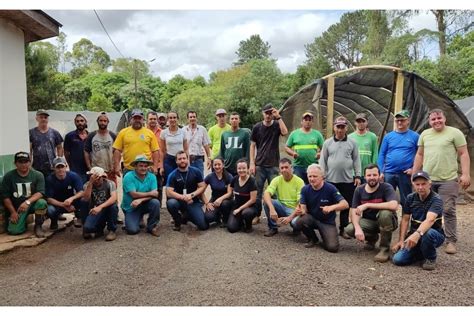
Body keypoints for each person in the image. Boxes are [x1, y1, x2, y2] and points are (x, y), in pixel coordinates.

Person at [413, 108, 471, 255]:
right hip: (428, 179)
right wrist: (415, 173)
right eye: (433, 119)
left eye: (439, 118)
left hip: (448, 179)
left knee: (448, 209)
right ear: (429, 121)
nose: (436, 121)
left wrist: (465, 174)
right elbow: (420, 154)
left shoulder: (454, 133)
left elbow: (463, 153)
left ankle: (451, 240)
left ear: (444, 119)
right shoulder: (425, 134)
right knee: (426, 209)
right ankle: (429, 235)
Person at [344, 164, 399, 263]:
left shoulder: (386, 187)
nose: (372, 177)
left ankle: (384, 249)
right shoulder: (359, 190)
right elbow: (353, 211)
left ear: (379, 176)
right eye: (369, 175)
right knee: (349, 229)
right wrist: (357, 228)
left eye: (374, 175)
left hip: (388, 221)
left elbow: (394, 205)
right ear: (365, 177)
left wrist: (368, 205)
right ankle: (372, 238)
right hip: (370, 222)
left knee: (385, 214)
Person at [392, 171, 445, 270]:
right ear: (413, 185)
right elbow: (405, 219)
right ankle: (420, 252)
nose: (420, 187)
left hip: (434, 234)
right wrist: (401, 240)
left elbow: (430, 220)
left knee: (428, 233)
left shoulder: (436, 199)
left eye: (423, 184)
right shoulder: (410, 198)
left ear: (430, 184)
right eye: (417, 184)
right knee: (398, 260)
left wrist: (417, 234)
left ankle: (430, 258)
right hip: (414, 235)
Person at [320, 116, 361, 238]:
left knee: (346, 205)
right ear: (334, 127)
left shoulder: (352, 142)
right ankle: (328, 227)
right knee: (328, 204)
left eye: (343, 127)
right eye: (338, 127)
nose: (340, 129)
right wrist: (321, 176)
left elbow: (356, 160)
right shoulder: (327, 143)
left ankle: (343, 229)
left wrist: (358, 175)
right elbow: (323, 160)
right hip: (330, 180)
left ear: (346, 128)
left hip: (347, 180)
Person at [296, 164, 349, 252]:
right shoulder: (305, 189)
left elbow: (345, 204)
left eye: (315, 176)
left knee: (332, 248)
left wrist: (331, 207)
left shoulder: (330, 188)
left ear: (322, 177)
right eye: (310, 176)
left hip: (327, 222)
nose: (312, 179)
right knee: (298, 222)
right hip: (312, 219)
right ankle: (313, 239)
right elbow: (303, 209)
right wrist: (300, 211)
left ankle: (325, 235)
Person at [250, 103, 288, 223]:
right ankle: (257, 215)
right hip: (260, 164)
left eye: (270, 113)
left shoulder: (277, 125)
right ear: (262, 113)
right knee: (258, 192)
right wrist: (252, 163)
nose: (268, 115)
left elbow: (285, 132)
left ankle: (274, 215)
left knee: (274, 193)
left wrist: (279, 117)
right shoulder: (257, 127)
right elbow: (252, 146)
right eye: (266, 113)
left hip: (273, 165)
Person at [377, 110, 419, 207]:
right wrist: (381, 171)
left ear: (408, 121)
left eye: (402, 120)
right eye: (397, 120)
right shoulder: (388, 137)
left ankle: (405, 220)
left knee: (406, 199)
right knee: (387, 198)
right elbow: (382, 154)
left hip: (405, 173)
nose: (399, 122)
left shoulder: (415, 136)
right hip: (389, 173)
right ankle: (389, 220)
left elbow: (420, 154)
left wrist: (413, 169)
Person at [1, 152, 48, 237]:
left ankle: (38, 226)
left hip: (32, 204)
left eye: (26, 161)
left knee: (42, 202)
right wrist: (13, 212)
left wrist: (27, 202)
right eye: (20, 162)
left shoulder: (38, 175)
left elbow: (40, 193)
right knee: (14, 231)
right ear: (15, 163)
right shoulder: (9, 176)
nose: (23, 164)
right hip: (18, 208)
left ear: (30, 162)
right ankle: (22, 222)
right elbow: (5, 196)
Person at [166, 151, 208, 231]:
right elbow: (169, 192)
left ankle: (186, 216)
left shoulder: (196, 171)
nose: (182, 160)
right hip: (179, 201)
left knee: (203, 226)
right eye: (180, 159)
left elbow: (202, 187)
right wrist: (183, 197)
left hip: (193, 201)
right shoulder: (172, 175)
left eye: (184, 158)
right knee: (171, 203)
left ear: (187, 159)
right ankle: (177, 220)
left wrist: (191, 195)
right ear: (176, 161)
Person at [263, 158, 305, 237]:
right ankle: (273, 228)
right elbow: (266, 193)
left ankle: (297, 229)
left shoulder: (299, 181)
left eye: (286, 167)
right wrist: (272, 209)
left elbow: (301, 203)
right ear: (279, 170)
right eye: (282, 168)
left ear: (291, 167)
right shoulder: (277, 179)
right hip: (281, 206)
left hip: (294, 210)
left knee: (295, 223)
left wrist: (290, 217)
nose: (284, 170)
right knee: (267, 202)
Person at [121, 155, 161, 236]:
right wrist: (150, 193)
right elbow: (133, 194)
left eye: (146, 166)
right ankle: (135, 218)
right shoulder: (128, 176)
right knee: (132, 230)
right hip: (131, 206)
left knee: (155, 203)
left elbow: (155, 194)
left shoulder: (152, 176)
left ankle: (152, 227)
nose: (143, 168)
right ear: (135, 166)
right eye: (141, 166)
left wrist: (141, 200)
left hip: (143, 203)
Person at [113, 109, 160, 176]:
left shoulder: (149, 133)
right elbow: (117, 150)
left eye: (139, 118)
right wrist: (117, 166)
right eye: (135, 118)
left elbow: (155, 151)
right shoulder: (123, 132)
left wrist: (155, 167)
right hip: (129, 169)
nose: (137, 120)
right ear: (131, 119)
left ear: (143, 120)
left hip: (145, 169)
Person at [285, 111, 324, 184]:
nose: (308, 122)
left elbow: (324, 148)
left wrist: (320, 154)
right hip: (298, 166)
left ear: (312, 122)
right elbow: (287, 147)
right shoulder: (294, 134)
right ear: (301, 122)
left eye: (310, 120)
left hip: (313, 166)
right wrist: (293, 153)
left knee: (313, 185)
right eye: (306, 120)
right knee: (300, 186)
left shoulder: (317, 134)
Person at [81, 166, 119, 241]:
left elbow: (114, 197)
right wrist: (91, 183)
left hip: (106, 208)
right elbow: (86, 198)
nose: (96, 180)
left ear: (103, 177)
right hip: (94, 210)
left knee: (113, 206)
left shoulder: (110, 183)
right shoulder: (87, 185)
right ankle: (97, 229)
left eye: (98, 177)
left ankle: (112, 230)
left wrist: (100, 207)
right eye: (93, 177)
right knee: (83, 203)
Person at [45, 157, 84, 230]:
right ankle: (54, 221)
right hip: (57, 204)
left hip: (71, 202)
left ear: (66, 166)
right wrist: (63, 205)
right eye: (58, 167)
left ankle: (79, 217)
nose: (60, 169)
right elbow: (49, 199)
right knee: (50, 209)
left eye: (62, 166)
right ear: (53, 168)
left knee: (84, 200)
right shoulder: (49, 179)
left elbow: (81, 192)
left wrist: (71, 199)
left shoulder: (73, 176)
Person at [84, 111, 117, 184]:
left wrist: (115, 166)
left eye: (105, 121)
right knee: (98, 191)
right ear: (97, 121)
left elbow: (117, 152)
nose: (102, 123)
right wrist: (90, 167)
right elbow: (86, 151)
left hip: (110, 171)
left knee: (112, 190)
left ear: (108, 122)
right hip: (96, 171)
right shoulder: (91, 135)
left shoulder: (113, 135)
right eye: (101, 120)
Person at [29, 109, 64, 178]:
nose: (43, 119)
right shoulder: (31, 133)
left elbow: (60, 147)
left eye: (45, 117)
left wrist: (58, 161)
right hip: (37, 167)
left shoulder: (54, 133)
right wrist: (29, 165)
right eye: (41, 117)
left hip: (51, 167)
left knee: (50, 186)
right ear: (37, 118)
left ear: (48, 119)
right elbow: (29, 150)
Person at [227, 158, 258, 233]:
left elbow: (253, 200)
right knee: (232, 228)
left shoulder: (252, 181)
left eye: (244, 168)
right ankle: (239, 221)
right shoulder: (234, 179)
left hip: (249, 207)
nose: (241, 170)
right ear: (236, 169)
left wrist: (240, 209)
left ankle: (248, 226)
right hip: (237, 205)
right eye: (239, 168)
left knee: (247, 213)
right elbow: (229, 192)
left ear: (247, 169)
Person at [201, 157, 233, 227]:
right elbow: (201, 191)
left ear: (223, 165)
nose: (217, 166)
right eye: (215, 165)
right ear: (213, 165)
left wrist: (220, 199)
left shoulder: (229, 176)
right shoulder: (210, 177)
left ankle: (225, 219)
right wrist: (207, 203)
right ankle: (217, 216)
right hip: (214, 199)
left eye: (219, 164)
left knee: (225, 204)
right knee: (208, 217)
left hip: (226, 200)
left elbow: (229, 193)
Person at [159, 111, 188, 184]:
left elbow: (186, 149)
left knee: (182, 181)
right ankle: (170, 195)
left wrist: (188, 162)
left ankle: (182, 195)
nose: (172, 120)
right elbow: (162, 151)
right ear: (168, 120)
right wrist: (161, 166)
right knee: (170, 181)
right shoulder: (163, 133)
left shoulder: (183, 132)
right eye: (170, 118)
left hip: (181, 160)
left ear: (177, 119)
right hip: (169, 160)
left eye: (174, 117)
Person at [348, 113, 378, 183]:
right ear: (355, 123)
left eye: (363, 121)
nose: (361, 123)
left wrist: (373, 169)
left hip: (367, 173)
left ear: (367, 122)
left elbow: (375, 153)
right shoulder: (350, 137)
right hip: (354, 173)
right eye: (358, 121)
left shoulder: (372, 136)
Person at [219, 112, 250, 176]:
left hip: (240, 167)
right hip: (227, 166)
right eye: (232, 119)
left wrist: (247, 164)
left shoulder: (245, 133)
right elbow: (222, 150)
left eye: (236, 118)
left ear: (239, 120)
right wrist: (221, 163)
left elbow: (247, 151)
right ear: (229, 121)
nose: (234, 120)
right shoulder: (225, 134)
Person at [184, 110, 212, 175]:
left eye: (194, 117)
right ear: (187, 119)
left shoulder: (202, 129)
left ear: (196, 118)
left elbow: (206, 144)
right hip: (187, 159)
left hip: (198, 159)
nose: (192, 118)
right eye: (190, 117)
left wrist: (209, 158)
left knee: (200, 180)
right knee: (188, 180)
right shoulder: (183, 130)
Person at [64, 113, 89, 183]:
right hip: (76, 169)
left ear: (85, 122)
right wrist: (70, 164)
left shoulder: (90, 136)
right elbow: (66, 152)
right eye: (77, 121)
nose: (79, 123)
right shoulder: (69, 136)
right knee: (79, 189)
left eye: (81, 121)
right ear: (75, 123)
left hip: (89, 168)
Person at [146, 111, 164, 202]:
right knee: (145, 186)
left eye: (154, 119)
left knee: (158, 186)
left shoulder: (162, 133)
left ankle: (158, 206)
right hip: (145, 164)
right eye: (150, 119)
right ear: (147, 120)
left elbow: (163, 150)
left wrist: (160, 166)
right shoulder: (143, 132)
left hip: (158, 164)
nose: (152, 121)